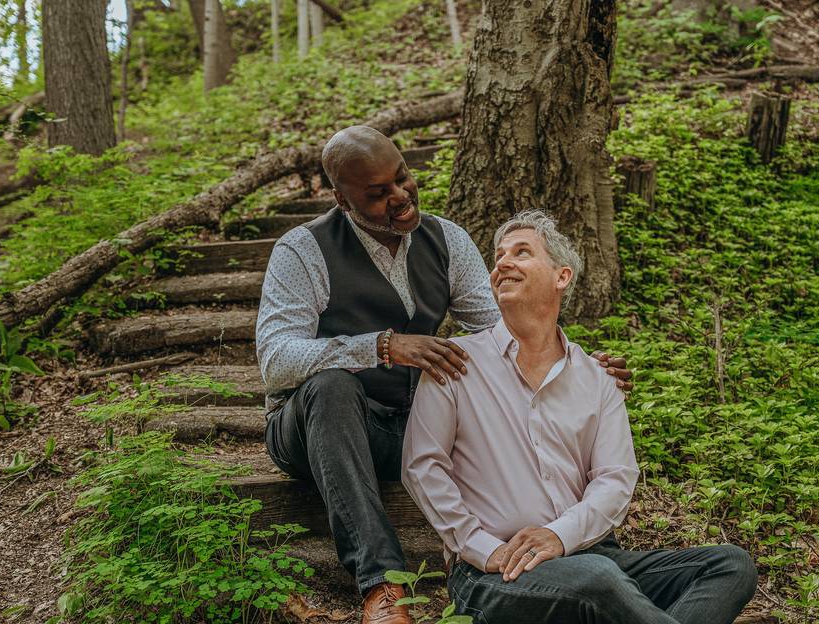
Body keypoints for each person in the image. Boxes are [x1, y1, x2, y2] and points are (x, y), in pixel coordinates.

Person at [256, 126, 633, 624]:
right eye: (377, 193)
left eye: (402, 178)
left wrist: (576, 365)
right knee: (332, 388)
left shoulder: (447, 239)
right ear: (341, 199)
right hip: (313, 430)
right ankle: (383, 586)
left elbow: (505, 333)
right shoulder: (302, 250)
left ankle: (569, 550)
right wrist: (381, 346)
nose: (399, 197)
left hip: (405, 427)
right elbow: (275, 360)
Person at [403, 210, 758, 624]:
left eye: (521, 252)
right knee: (598, 579)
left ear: (562, 277)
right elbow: (422, 466)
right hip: (498, 573)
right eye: (498, 256)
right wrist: (482, 547)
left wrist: (559, 534)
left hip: (589, 555)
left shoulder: (597, 378)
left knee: (730, 565)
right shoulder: (456, 363)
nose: (502, 263)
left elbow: (614, 477)